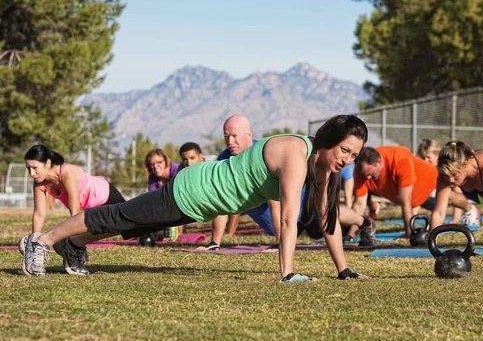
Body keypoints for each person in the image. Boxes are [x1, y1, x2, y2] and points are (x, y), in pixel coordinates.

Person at [21, 114, 369, 282]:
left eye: (354, 156)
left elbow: (327, 221)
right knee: (119, 216)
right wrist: (288, 273)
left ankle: (75, 244)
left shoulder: (322, 167)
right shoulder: (296, 153)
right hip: (192, 189)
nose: (347, 160)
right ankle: (41, 240)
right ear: (328, 139)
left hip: (200, 204)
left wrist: (344, 269)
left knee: (126, 225)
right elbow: (289, 217)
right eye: (345, 150)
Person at [22, 145, 126, 275]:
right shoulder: (39, 182)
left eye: (35, 168)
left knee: (127, 226)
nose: (31, 173)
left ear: (48, 163)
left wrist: (75, 242)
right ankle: (61, 246)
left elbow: (75, 214)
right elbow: (39, 213)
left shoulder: (66, 172)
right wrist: (34, 241)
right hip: (89, 207)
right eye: (28, 168)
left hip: (105, 195)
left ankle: (69, 246)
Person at [352, 146, 480, 237]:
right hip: (413, 198)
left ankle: (471, 210)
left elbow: (405, 200)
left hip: (428, 182)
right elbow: (359, 204)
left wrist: (409, 232)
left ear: (379, 162)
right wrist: (350, 233)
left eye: (370, 174)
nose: (367, 178)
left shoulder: (399, 159)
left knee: (449, 197)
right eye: (365, 175)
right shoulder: (361, 172)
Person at [205, 115, 280, 250]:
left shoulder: (264, 154)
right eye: (226, 136)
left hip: (302, 219)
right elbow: (221, 200)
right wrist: (214, 244)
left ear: (249, 134)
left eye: (234, 136)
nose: (230, 141)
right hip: (272, 228)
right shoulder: (224, 158)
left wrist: (281, 243)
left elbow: (276, 202)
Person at [417, 139, 479, 224]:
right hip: (432, 198)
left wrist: (455, 219)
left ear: (436, 155)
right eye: (423, 157)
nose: (425, 161)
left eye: (428, 157)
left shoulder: (444, 170)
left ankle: (470, 209)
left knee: (449, 194)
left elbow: (457, 191)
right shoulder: (423, 169)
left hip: (447, 196)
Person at [144, 149, 180, 241]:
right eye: (152, 164)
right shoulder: (152, 176)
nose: (155, 166)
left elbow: (178, 195)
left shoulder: (176, 169)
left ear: (166, 161)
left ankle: (177, 232)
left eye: (159, 162)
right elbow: (151, 197)